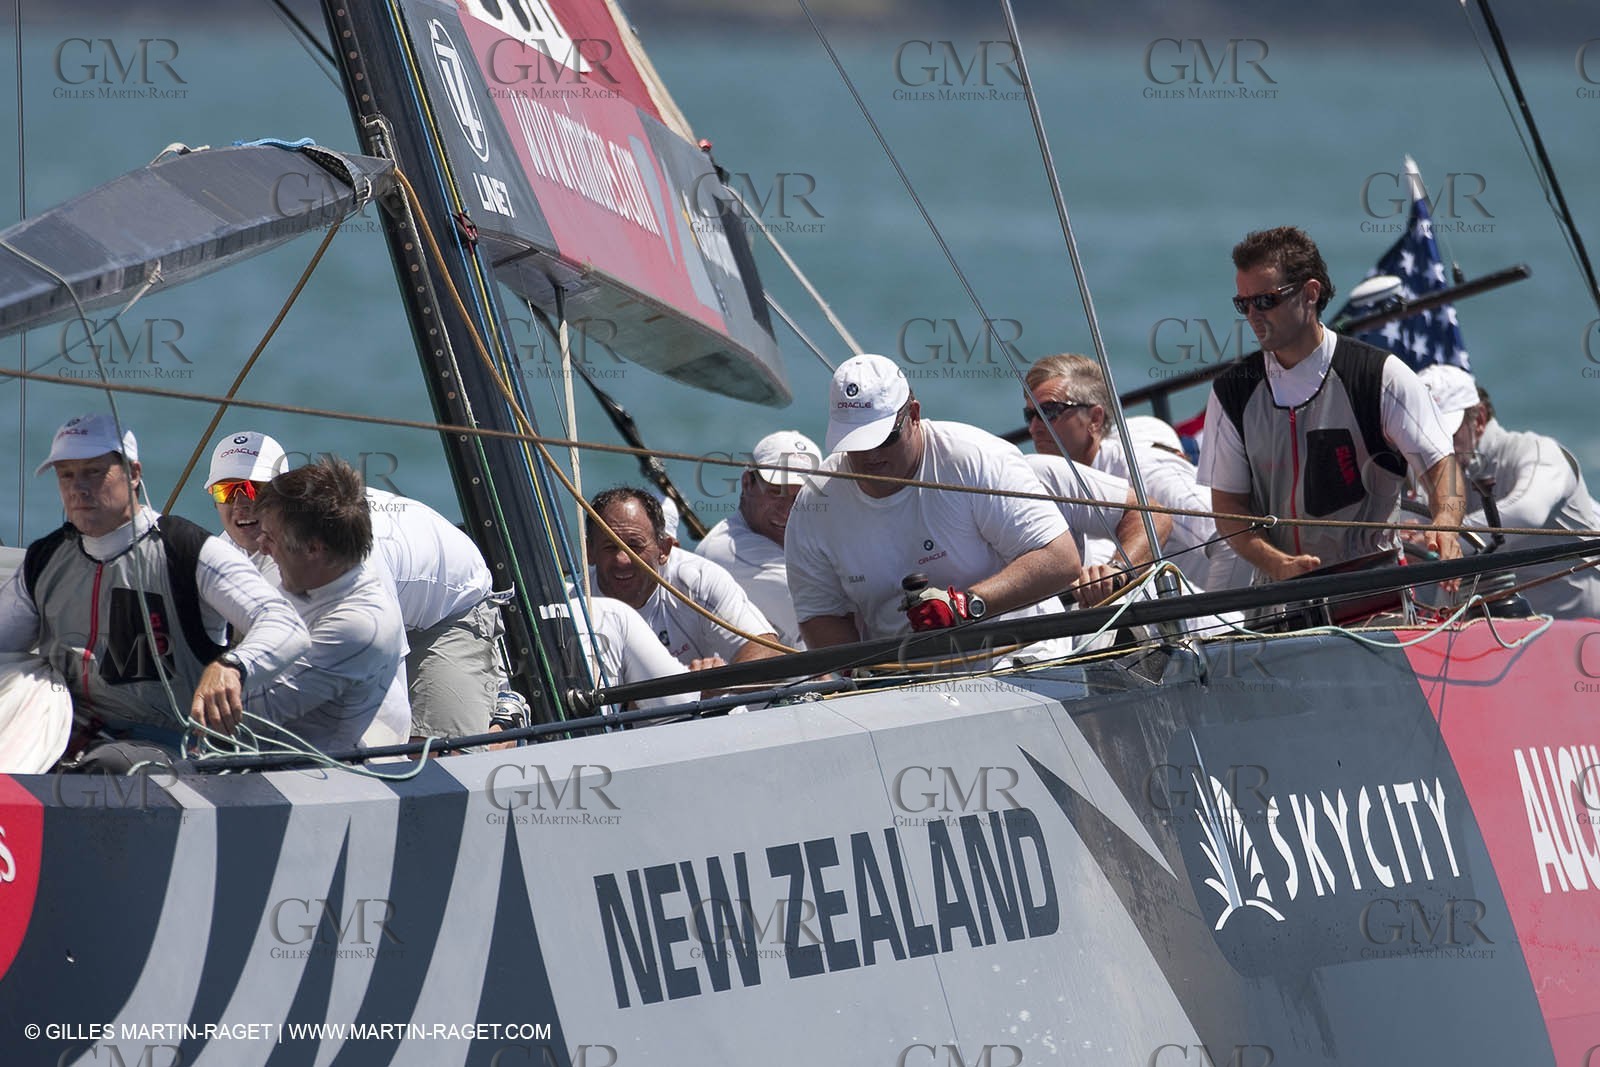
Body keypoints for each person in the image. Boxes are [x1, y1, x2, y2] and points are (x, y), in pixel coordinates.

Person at [0, 414, 310, 767]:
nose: (78, 488)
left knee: (104, 769)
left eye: (94, 472)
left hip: (162, 748)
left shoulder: (188, 551)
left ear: (133, 474)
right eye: (66, 474)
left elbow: (286, 624)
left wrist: (232, 665)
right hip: (58, 730)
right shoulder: (45, 559)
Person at [1195, 226, 1464, 582]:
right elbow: (1229, 507)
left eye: (1265, 301)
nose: (1252, 316)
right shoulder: (1232, 393)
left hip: (1372, 597)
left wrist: (1446, 520)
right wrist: (1276, 563)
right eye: (1242, 304)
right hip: (1278, 603)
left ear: (1310, 293)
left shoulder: (1380, 376)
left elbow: (1442, 466)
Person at [207, 431, 505, 745]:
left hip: (445, 613)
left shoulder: (352, 553)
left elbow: (388, 692)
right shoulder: (223, 554)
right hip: (363, 610)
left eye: (255, 489)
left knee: (428, 756)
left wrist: (386, 761)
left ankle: (504, 717)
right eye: (226, 491)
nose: (240, 504)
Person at [785, 353, 1081, 647]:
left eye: (884, 439)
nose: (870, 456)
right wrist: (858, 675)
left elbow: (1061, 559)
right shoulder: (816, 502)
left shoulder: (974, 458)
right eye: (855, 442)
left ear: (913, 415)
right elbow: (820, 613)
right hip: (903, 677)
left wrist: (964, 606)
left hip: (1019, 656)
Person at [1025, 353, 1250, 593]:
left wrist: (1221, 619)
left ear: (1095, 418)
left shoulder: (1144, 472)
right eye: (1030, 415)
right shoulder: (1064, 483)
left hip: (1205, 621)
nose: (1034, 428)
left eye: (1049, 412)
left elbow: (1230, 536)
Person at [249, 458, 409, 751]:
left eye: (270, 538)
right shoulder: (312, 569)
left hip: (326, 767)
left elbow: (254, 711)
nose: (261, 546)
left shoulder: (360, 625)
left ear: (313, 548)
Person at [1419, 364, 1600, 618]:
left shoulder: (1538, 453)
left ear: (1479, 419)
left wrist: (1438, 538)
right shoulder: (1438, 476)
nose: (1438, 449)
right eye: (1428, 438)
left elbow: (1527, 513)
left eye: (1446, 434)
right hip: (1524, 636)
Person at [587, 486, 782, 665]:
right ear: (589, 552)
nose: (622, 559)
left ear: (664, 550)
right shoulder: (576, 607)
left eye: (634, 545)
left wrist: (719, 683)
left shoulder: (697, 579)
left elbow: (769, 651)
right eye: (610, 547)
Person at [695, 431, 823, 648]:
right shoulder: (734, 554)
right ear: (747, 483)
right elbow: (832, 627)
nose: (787, 510)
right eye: (775, 492)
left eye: (800, 497)